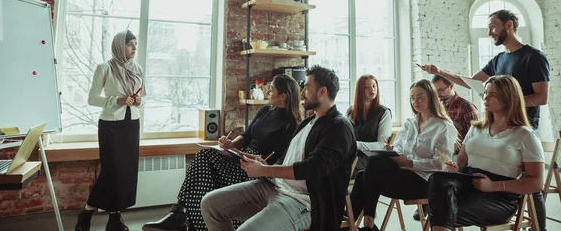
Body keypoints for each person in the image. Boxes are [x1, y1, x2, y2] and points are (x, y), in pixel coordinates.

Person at [420, 9, 550, 230]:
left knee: (532, 184)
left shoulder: (533, 57)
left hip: (521, 126)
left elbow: (541, 97)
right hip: (493, 126)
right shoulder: (499, 59)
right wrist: (440, 71)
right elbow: (472, 82)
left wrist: (510, 103)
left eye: (493, 26)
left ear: (508, 25)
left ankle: (539, 227)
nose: (490, 32)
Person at [200, 65, 356, 231]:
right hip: (276, 186)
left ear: (322, 91)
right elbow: (289, 157)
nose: (302, 92)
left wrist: (265, 171)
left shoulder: (339, 127)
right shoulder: (308, 122)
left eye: (307, 87)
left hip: (304, 201)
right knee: (210, 204)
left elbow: (312, 168)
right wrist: (265, 165)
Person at [143, 74, 302, 231]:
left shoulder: (292, 125)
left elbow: (278, 160)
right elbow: (246, 136)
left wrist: (254, 161)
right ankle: (180, 215)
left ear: (283, 96)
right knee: (203, 157)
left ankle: (182, 218)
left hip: (254, 167)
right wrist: (231, 144)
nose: (267, 92)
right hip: (240, 155)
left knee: (205, 167)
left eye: (271, 89)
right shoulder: (266, 110)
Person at [428, 75, 545, 231]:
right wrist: (455, 165)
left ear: (508, 99)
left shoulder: (525, 135)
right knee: (437, 179)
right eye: (485, 93)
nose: (485, 98)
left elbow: (536, 183)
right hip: (470, 183)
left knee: (442, 211)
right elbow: (462, 160)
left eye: (493, 94)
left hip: (500, 196)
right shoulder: (476, 128)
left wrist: (494, 186)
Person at [349, 79, 457, 231]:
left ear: (431, 96)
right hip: (402, 176)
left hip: (425, 183)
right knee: (363, 175)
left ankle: (361, 225)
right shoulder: (410, 123)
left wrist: (411, 163)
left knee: (365, 174)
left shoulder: (443, 126)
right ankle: (361, 225)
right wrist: (391, 149)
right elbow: (399, 148)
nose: (415, 101)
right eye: (412, 98)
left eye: (420, 97)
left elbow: (441, 163)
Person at [75, 30, 145, 231]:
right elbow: (92, 98)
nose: (134, 48)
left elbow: (144, 97)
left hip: (131, 124)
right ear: (118, 45)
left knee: (125, 173)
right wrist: (118, 100)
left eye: (135, 44)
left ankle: (114, 219)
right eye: (130, 44)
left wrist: (139, 101)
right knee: (110, 172)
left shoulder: (137, 69)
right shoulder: (104, 68)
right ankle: (86, 212)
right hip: (111, 125)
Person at [347, 75, 392, 177]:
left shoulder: (384, 112)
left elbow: (381, 146)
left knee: (336, 166)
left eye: (374, 86)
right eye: (366, 87)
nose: (371, 89)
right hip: (351, 155)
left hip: (370, 159)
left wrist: (355, 144)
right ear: (360, 90)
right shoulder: (351, 111)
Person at [432, 75, 479, 154]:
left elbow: (475, 139)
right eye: (434, 91)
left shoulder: (467, 107)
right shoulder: (435, 107)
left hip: (459, 157)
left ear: (451, 86)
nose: (437, 94)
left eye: (441, 90)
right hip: (438, 155)